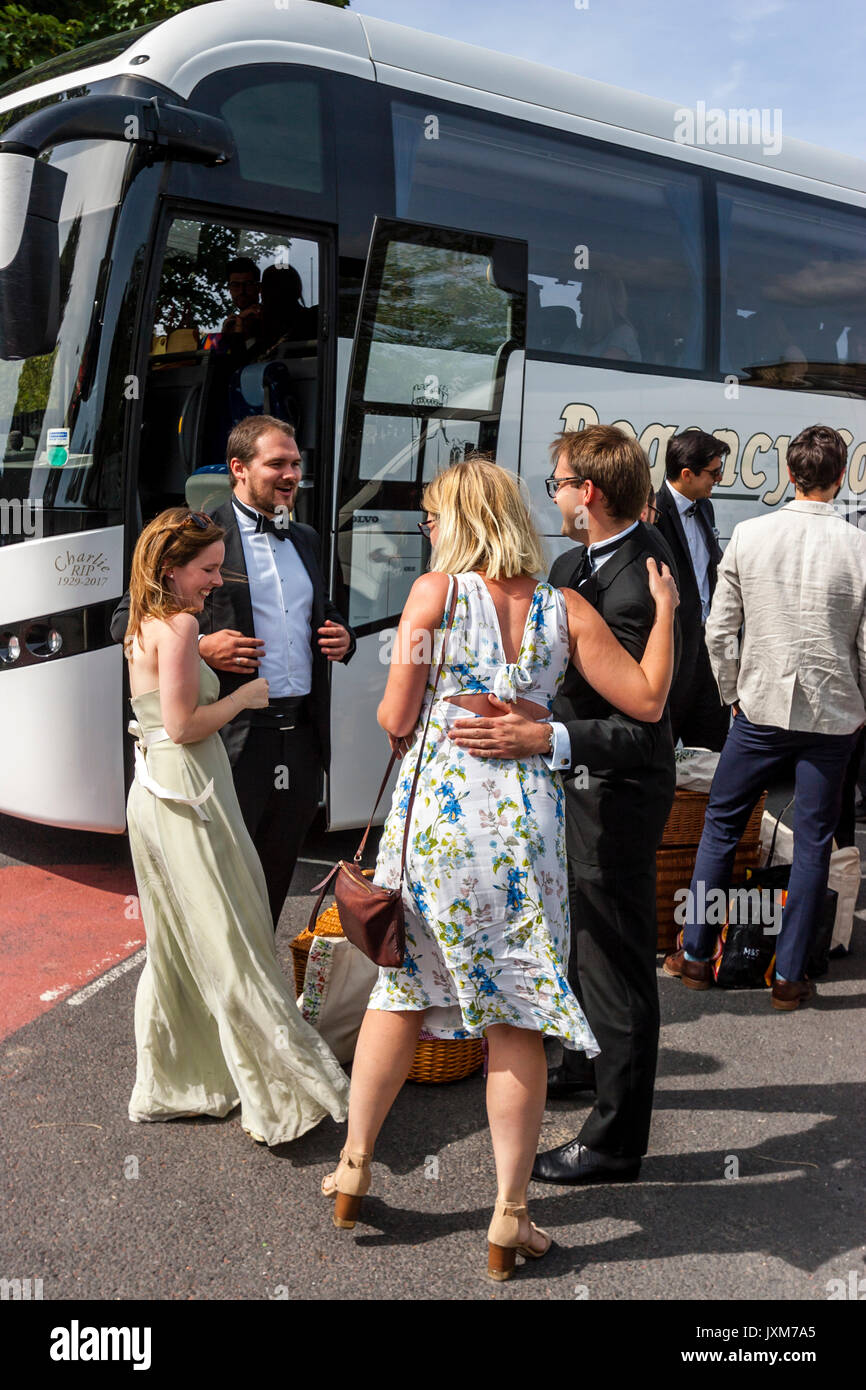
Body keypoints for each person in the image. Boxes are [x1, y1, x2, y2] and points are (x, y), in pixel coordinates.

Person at [320, 457, 679, 1278]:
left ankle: (353, 1166)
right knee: (516, 1015)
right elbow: (651, 701)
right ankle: (509, 1218)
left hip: (440, 827)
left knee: (403, 988)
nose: (428, 530)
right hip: (527, 832)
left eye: (433, 517)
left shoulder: (433, 596)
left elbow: (395, 713)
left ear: (460, 520)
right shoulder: (567, 606)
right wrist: (662, 613)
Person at [450, 427, 681, 1185]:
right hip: (573, 787)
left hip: (616, 793)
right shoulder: (573, 564)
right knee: (579, 945)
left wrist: (544, 736)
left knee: (617, 967)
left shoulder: (643, 574)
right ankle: (587, 1066)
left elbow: (642, 722)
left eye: (557, 482)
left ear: (591, 492)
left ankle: (616, 1142)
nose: (549, 493)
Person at [123, 507, 349, 1145]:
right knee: (230, 938)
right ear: (174, 569)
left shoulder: (145, 623)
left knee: (178, 941)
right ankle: (280, 1088)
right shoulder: (182, 624)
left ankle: (184, 1080)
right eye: (208, 569)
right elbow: (183, 725)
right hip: (186, 792)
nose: (217, 581)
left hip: (158, 792)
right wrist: (244, 698)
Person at [111, 415, 356, 925]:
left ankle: (256, 990)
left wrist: (342, 635)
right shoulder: (196, 531)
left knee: (273, 880)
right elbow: (125, 621)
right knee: (220, 885)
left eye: (296, 464)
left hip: (302, 737)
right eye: (277, 464)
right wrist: (199, 645)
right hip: (232, 738)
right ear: (239, 468)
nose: (291, 475)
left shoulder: (308, 537)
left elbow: (323, 610)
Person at [664, 424, 866, 1010]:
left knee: (720, 830)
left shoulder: (749, 536)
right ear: (842, 476)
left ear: (789, 474)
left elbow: (718, 630)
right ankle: (790, 975)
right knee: (812, 844)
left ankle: (697, 956)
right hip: (831, 717)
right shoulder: (859, 547)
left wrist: (733, 694)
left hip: (758, 710)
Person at [655, 430, 730, 751]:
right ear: (687, 474)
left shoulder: (705, 508)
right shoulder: (654, 513)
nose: (720, 478)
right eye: (714, 472)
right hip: (674, 645)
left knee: (712, 742)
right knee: (667, 738)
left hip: (707, 645)